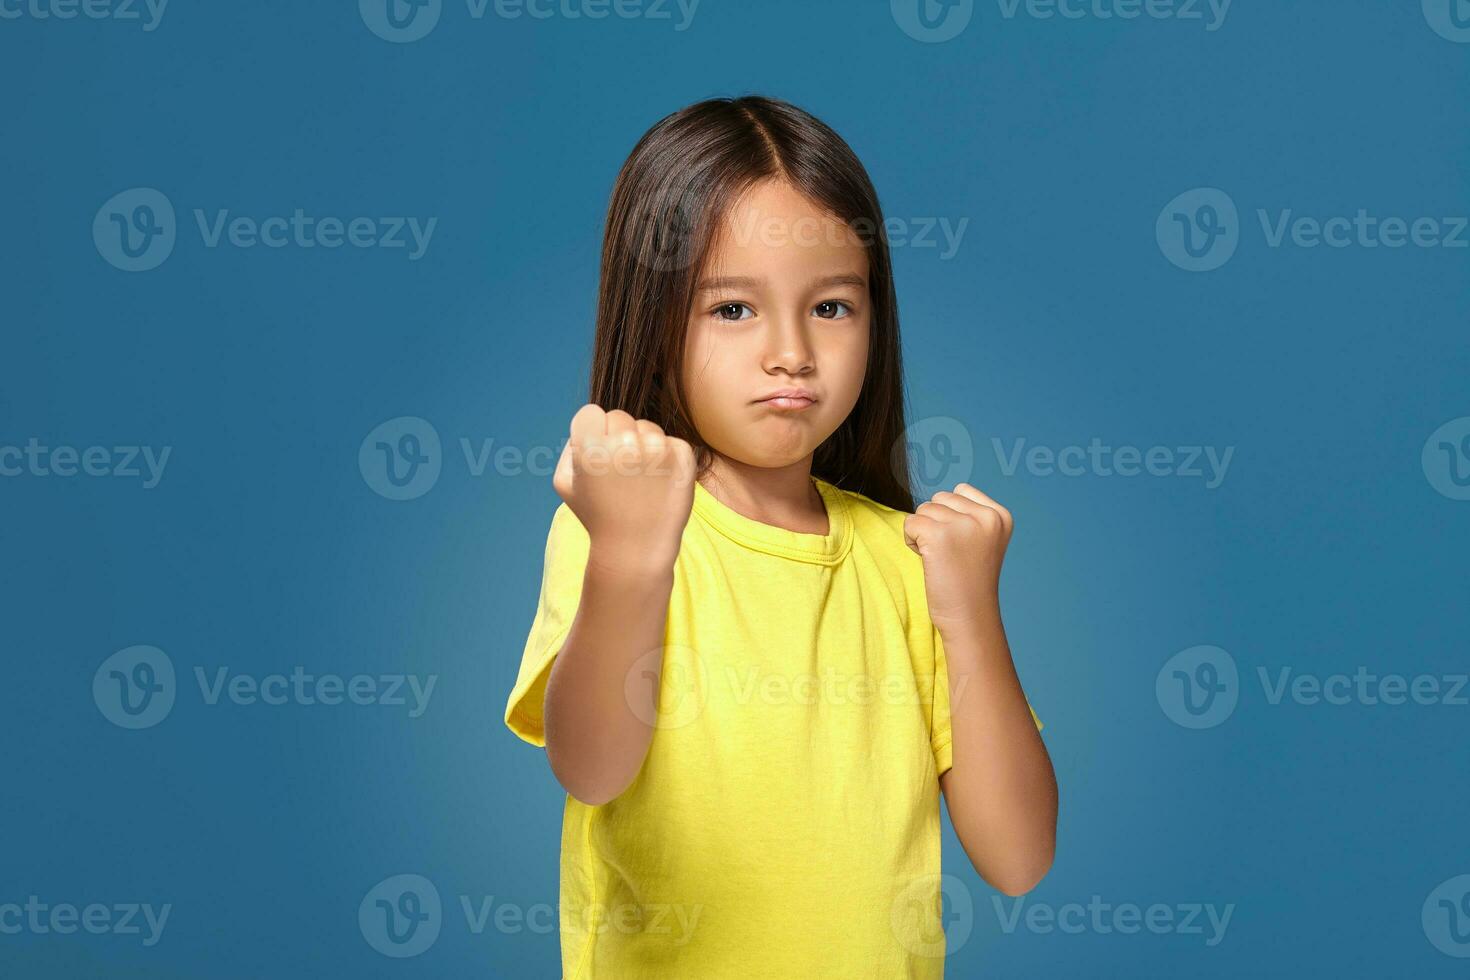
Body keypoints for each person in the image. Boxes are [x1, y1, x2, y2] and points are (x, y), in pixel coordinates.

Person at [503, 94, 1057, 978]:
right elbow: (593, 768)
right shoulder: (620, 535)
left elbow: (1018, 857)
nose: (791, 351)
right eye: (733, 310)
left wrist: (971, 613)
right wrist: (631, 553)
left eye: (833, 307)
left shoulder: (906, 559)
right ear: (655, 316)